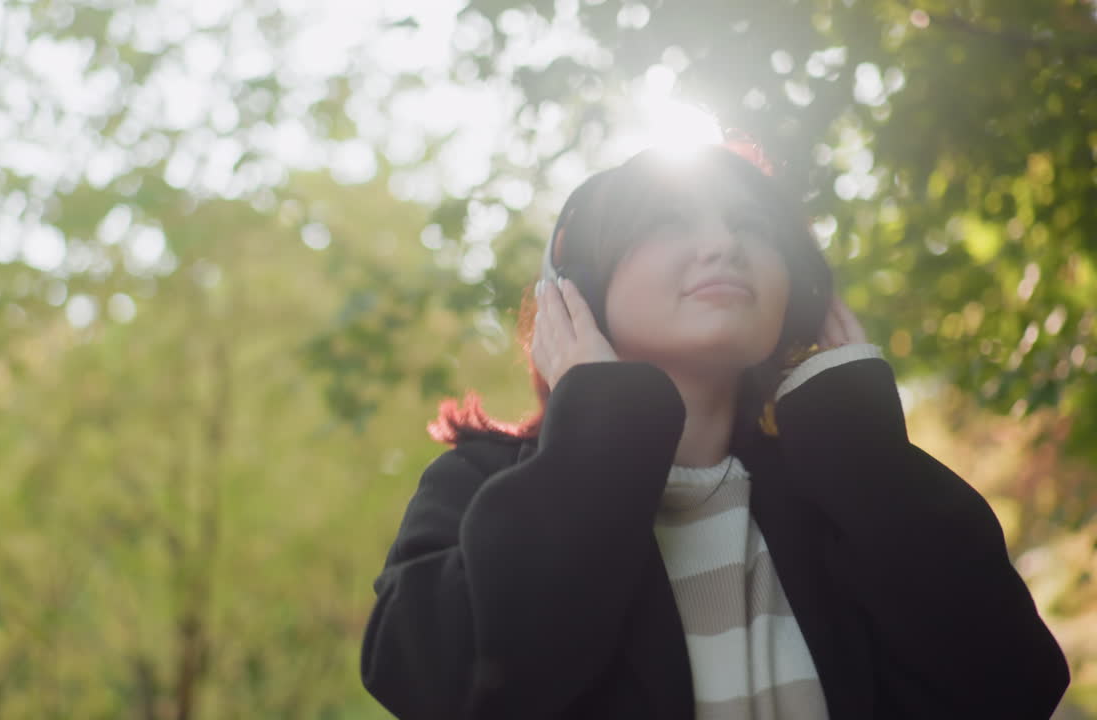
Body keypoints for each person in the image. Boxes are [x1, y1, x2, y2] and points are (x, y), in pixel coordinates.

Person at [360, 140, 1070, 719]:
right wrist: (597, 429)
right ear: (572, 290)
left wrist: (866, 455)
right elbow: (451, 687)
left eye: (752, 227)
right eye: (667, 221)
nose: (723, 244)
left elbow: (1010, 688)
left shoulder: (845, 494)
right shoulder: (479, 482)